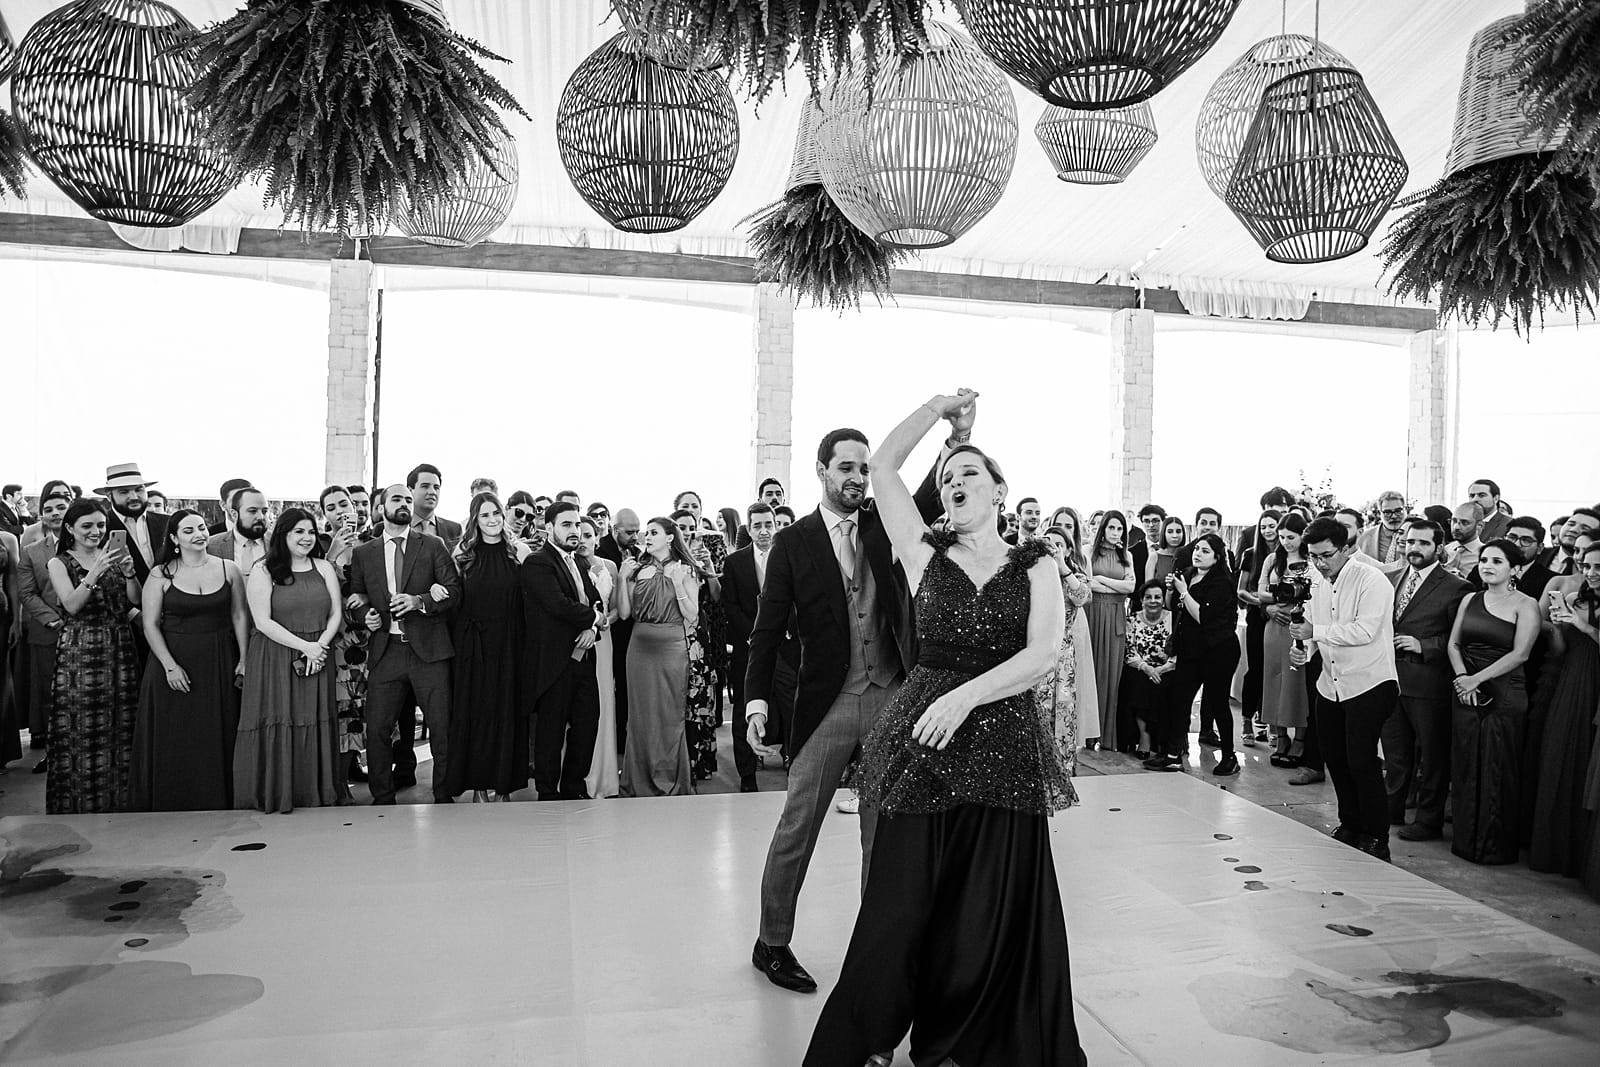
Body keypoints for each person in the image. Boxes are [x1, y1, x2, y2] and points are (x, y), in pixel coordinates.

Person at [805, 390, 1082, 1067]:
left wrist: (965, 699)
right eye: (948, 475)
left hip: (1003, 746)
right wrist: (940, 412)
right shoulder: (921, 550)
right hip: (923, 745)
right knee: (898, 901)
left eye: (970, 473)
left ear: (999, 490)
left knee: (985, 904)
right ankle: (871, 1032)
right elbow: (884, 466)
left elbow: (1043, 653)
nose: (955, 482)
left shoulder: (1037, 563)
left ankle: (962, 1038)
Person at [745, 413, 946, 996]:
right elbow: (766, 631)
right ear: (822, 471)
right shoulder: (793, 543)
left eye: (865, 468)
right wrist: (756, 701)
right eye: (848, 468)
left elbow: (929, 493)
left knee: (883, 832)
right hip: (827, 703)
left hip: (890, 697)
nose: (859, 478)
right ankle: (771, 942)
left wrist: (954, 436)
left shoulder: (884, 523)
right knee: (798, 824)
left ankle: (877, 950)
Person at [1288, 517, 1400, 861]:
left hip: (1370, 682)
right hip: (1330, 684)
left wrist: (1315, 633)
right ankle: (1350, 824)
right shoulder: (1315, 582)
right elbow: (1310, 627)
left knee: (1362, 761)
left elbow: (1364, 631)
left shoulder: (1372, 580)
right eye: (1313, 556)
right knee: (1335, 758)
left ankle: (1377, 836)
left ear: (1347, 548)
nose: (1320, 563)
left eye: (1327, 555)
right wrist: (1302, 650)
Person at [348, 484, 461, 805]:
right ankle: (382, 797)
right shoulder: (364, 553)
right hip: (387, 651)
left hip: (430, 652)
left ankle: (444, 795)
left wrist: (419, 601)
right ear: (381, 507)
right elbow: (356, 597)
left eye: (408, 500)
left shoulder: (433, 545)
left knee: (441, 727)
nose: (404, 504)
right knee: (377, 729)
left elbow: (454, 591)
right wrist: (366, 616)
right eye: (396, 499)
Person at [131, 508, 248, 811]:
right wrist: (170, 666)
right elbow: (150, 625)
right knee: (175, 735)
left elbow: (239, 615)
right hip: (172, 662)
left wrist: (244, 657)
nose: (199, 534)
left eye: (202, 528)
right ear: (174, 538)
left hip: (219, 659)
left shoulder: (229, 569)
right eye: (189, 530)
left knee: (217, 731)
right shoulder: (160, 574)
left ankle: (218, 799)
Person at [1445, 538, 1538, 864]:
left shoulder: (1526, 605)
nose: (1487, 566)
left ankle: (1493, 848)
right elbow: (1454, 644)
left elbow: (1521, 654)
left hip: (1504, 692)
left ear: (1514, 569)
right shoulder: (1470, 598)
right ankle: (1465, 842)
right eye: (1484, 560)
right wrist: (1462, 678)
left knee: (1498, 766)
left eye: (1497, 561)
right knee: (1465, 762)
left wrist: (1476, 679)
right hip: (1465, 690)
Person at [45, 500, 140, 813]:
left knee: (121, 724)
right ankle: (79, 803)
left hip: (120, 646)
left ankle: (121, 801)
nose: (95, 531)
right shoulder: (59, 562)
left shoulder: (114, 555)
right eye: (87, 525)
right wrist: (95, 571)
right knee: (81, 726)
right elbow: (72, 605)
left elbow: (133, 601)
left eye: (100, 525)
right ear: (70, 528)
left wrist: (129, 575)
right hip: (80, 650)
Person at [1381, 519, 1469, 841]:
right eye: (1410, 542)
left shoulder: (1456, 587)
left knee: (1432, 755)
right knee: (1395, 752)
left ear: (1439, 547)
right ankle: (1391, 809)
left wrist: (1425, 646)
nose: (1414, 548)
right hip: (1390, 679)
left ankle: (1428, 821)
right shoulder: (1391, 579)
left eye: (1423, 543)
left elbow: (1462, 637)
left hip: (1429, 681)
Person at [445, 492, 530, 803]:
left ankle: (504, 786)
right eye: (485, 515)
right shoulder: (462, 554)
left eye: (496, 513)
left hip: (510, 643)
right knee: (476, 713)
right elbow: (454, 599)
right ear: (475, 520)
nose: (492, 520)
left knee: (508, 711)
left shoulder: (519, 552)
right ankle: (479, 786)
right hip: (473, 646)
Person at [521, 501, 604, 801]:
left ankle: (574, 787)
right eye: (566, 525)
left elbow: (595, 601)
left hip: (584, 659)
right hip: (553, 662)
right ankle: (547, 791)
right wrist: (594, 618)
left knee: (587, 724)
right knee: (551, 731)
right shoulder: (538, 562)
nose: (575, 531)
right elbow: (557, 604)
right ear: (549, 527)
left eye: (577, 525)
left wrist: (592, 628)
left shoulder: (579, 562)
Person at [1527, 540, 1600, 875]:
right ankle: (1557, 849)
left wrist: (1583, 626)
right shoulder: (1574, 596)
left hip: (1593, 682)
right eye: (1586, 566)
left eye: (1598, 567)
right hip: (1572, 681)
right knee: (1563, 752)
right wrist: (1558, 627)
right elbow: (1558, 649)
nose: (1591, 573)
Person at [617, 517, 700, 797]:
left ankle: (670, 780)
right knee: (640, 716)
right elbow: (625, 614)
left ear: (670, 537)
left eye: (654, 532)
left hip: (672, 648)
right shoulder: (638, 571)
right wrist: (622, 578)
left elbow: (692, 616)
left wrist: (677, 584)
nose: (647, 536)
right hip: (639, 648)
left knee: (669, 713)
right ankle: (638, 779)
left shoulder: (686, 570)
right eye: (647, 532)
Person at [1147, 533, 1240, 775]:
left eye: (1205, 551)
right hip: (1190, 649)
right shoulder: (1188, 574)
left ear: (1217, 557)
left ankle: (1229, 756)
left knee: (1218, 703)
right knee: (1180, 700)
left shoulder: (1222, 583)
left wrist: (1183, 591)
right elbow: (1171, 606)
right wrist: (1171, 590)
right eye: (1197, 549)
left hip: (1219, 650)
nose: (1198, 554)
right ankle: (1172, 755)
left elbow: (1203, 617)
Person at [721, 502, 777, 792]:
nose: (764, 531)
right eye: (758, 526)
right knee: (744, 709)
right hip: (748, 649)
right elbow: (729, 605)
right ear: (749, 528)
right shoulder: (735, 563)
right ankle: (747, 776)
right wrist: (753, 636)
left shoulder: (790, 556)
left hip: (786, 649)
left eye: (768, 525)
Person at [1258, 514, 1316, 765]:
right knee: (1273, 678)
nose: (1285, 542)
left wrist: (1294, 597)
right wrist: (1275, 602)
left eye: (1291, 537)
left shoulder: (1312, 561)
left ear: (1303, 535)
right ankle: (1280, 734)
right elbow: (1260, 591)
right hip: (1275, 624)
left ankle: (1300, 737)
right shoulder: (1273, 559)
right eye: (1281, 537)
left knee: (1298, 680)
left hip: (1301, 622)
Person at [16, 491, 69, 765]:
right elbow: (27, 593)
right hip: (48, 631)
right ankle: (54, 753)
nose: (55, 513)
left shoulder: (92, 545)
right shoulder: (32, 551)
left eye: (61, 507)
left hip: (88, 629)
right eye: (49, 509)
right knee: (51, 694)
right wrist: (54, 620)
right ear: (42, 516)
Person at [673, 508, 722, 779]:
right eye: (681, 527)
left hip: (700, 635)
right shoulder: (668, 561)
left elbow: (716, 596)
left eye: (692, 528)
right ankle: (679, 760)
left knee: (701, 696)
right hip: (674, 633)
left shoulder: (703, 558)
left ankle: (701, 760)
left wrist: (709, 568)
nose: (688, 533)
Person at [578, 516, 620, 799]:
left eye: (588, 535)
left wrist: (603, 622)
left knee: (603, 702)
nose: (582, 540)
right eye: (578, 534)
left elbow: (615, 608)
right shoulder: (568, 565)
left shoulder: (609, 566)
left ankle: (603, 777)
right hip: (576, 640)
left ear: (597, 537)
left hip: (604, 641)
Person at [1085, 510, 1134, 750]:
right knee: (1092, 672)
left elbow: (1131, 587)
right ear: (1103, 529)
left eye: (1120, 528)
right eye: (1111, 527)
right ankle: (1087, 734)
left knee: (1112, 674)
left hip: (1115, 616)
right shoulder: (1087, 551)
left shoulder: (1127, 555)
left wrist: (1103, 580)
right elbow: (1088, 583)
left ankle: (1106, 736)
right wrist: (1116, 586)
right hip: (1092, 614)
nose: (1115, 533)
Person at [1236, 511, 1282, 748]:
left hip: (1279, 619)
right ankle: (1246, 721)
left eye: (1272, 526)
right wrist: (1262, 603)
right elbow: (1241, 590)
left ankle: (1271, 721)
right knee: (1255, 670)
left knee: (1274, 671)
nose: (1267, 531)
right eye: (1263, 527)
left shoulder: (1286, 556)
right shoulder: (1251, 554)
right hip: (1257, 617)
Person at [1121, 578, 1173, 760]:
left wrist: (1162, 668)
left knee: (1169, 685)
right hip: (1141, 668)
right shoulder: (1132, 620)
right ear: (1142, 600)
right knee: (1137, 683)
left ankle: (1166, 741)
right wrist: (1147, 668)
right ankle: (1145, 737)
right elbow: (1129, 652)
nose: (1153, 601)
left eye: (1157, 597)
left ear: (1163, 599)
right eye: (1148, 597)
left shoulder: (1173, 619)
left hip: (1166, 669)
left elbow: (1180, 652)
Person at [99, 462, 170, 587]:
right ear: (109, 496)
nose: (133, 497)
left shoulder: (167, 522)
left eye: (138, 489)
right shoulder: (100, 528)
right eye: (124, 492)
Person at [208, 487, 271, 577]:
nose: (260, 517)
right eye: (252, 511)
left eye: (264, 511)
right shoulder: (211, 546)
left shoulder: (279, 542)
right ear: (234, 515)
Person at [408, 463, 463, 551]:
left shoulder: (454, 530)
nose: (432, 492)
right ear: (410, 490)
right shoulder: (393, 526)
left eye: (436, 487)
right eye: (425, 486)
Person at [1357, 490, 1412, 575]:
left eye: (1398, 511)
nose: (1394, 516)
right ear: (1379, 513)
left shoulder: (1418, 536)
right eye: (1387, 512)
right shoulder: (1364, 538)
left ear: (1405, 510)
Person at [1445, 502, 1486, 579]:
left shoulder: (1485, 554)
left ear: (1480, 525)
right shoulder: (1445, 550)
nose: (1456, 527)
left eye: (1465, 522)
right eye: (1454, 521)